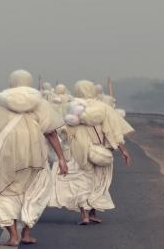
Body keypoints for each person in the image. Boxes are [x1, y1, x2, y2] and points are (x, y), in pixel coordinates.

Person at [0, 69, 68, 247]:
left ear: (11, 81)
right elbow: (51, 133)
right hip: (35, 156)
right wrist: (61, 158)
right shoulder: (40, 103)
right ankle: (26, 233)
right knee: (35, 192)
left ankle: (13, 236)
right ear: (28, 81)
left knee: (3, 192)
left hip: (6, 158)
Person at [49, 80, 133, 225]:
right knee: (98, 181)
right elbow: (112, 131)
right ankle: (93, 212)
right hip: (99, 150)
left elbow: (63, 132)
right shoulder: (103, 107)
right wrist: (123, 150)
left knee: (80, 181)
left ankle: (84, 215)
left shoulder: (71, 107)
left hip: (77, 151)